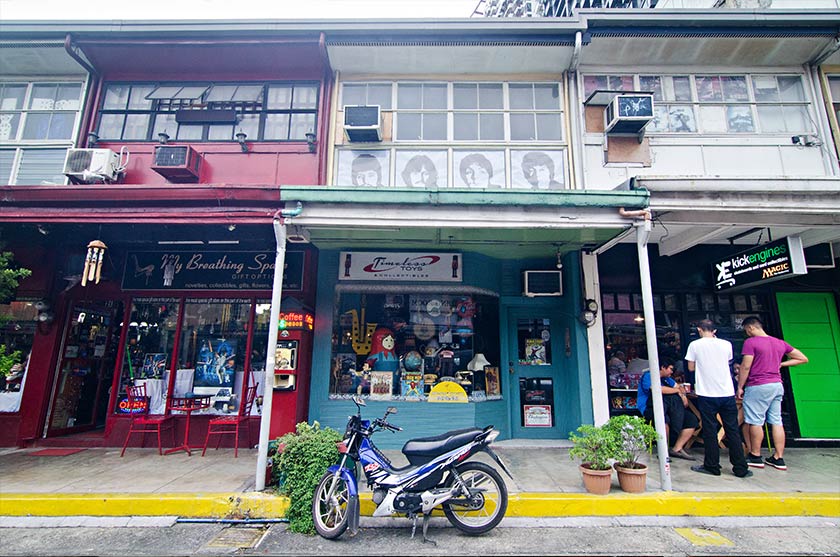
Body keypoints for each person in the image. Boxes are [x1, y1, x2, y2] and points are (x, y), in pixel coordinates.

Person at [737, 316, 808, 471]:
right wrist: (781, 364)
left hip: (758, 385)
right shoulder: (779, 343)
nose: (747, 333)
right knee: (776, 421)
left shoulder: (751, 342)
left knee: (755, 421)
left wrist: (740, 386)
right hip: (776, 385)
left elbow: (746, 366)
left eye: (746, 330)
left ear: (750, 328)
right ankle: (778, 457)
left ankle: (755, 455)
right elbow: (803, 358)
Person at [684, 319, 751, 478]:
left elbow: (691, 367)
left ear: (699, 329)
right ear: (714, 331)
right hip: (726, 392)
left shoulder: (695, 345)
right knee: (732, 429)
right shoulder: (726, 344)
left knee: (709, 429)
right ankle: (740, 467)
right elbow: (728, 361)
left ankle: (712, 466)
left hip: (707, 393)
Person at [636, 357, 698, 460]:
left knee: (691, 420)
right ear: (662, 367)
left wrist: (682, 395)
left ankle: (677, 448)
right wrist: (676, 391)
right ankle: (663, 450)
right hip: (650, 408)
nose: (672, 372)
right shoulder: (648, 376)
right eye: (670, 369)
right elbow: (657, 389)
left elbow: (679, 387)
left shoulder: (667, 379)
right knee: (664, 422)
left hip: (670, 408)